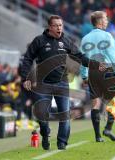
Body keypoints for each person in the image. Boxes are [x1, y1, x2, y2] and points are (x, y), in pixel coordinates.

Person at [19, 15, 101, 150]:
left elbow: (79, 57)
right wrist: (26, 78)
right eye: (56, 25)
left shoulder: (66, 41)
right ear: (50, 27)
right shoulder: (39, 41)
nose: (59, 28)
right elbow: (27, 59)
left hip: (61, 83)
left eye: (61, 25)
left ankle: (62, 143)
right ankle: (45, 134)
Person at [80, 11, 115, 142]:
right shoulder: (107, 36)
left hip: (93, 73)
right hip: (106, 71)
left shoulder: (85, 38)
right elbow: (112, 55)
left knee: (95, 103)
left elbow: (83, 59)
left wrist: (84, 75)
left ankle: (98, 136)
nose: (107, 21)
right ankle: (108, 129)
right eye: (105, 19)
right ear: (99, 21)